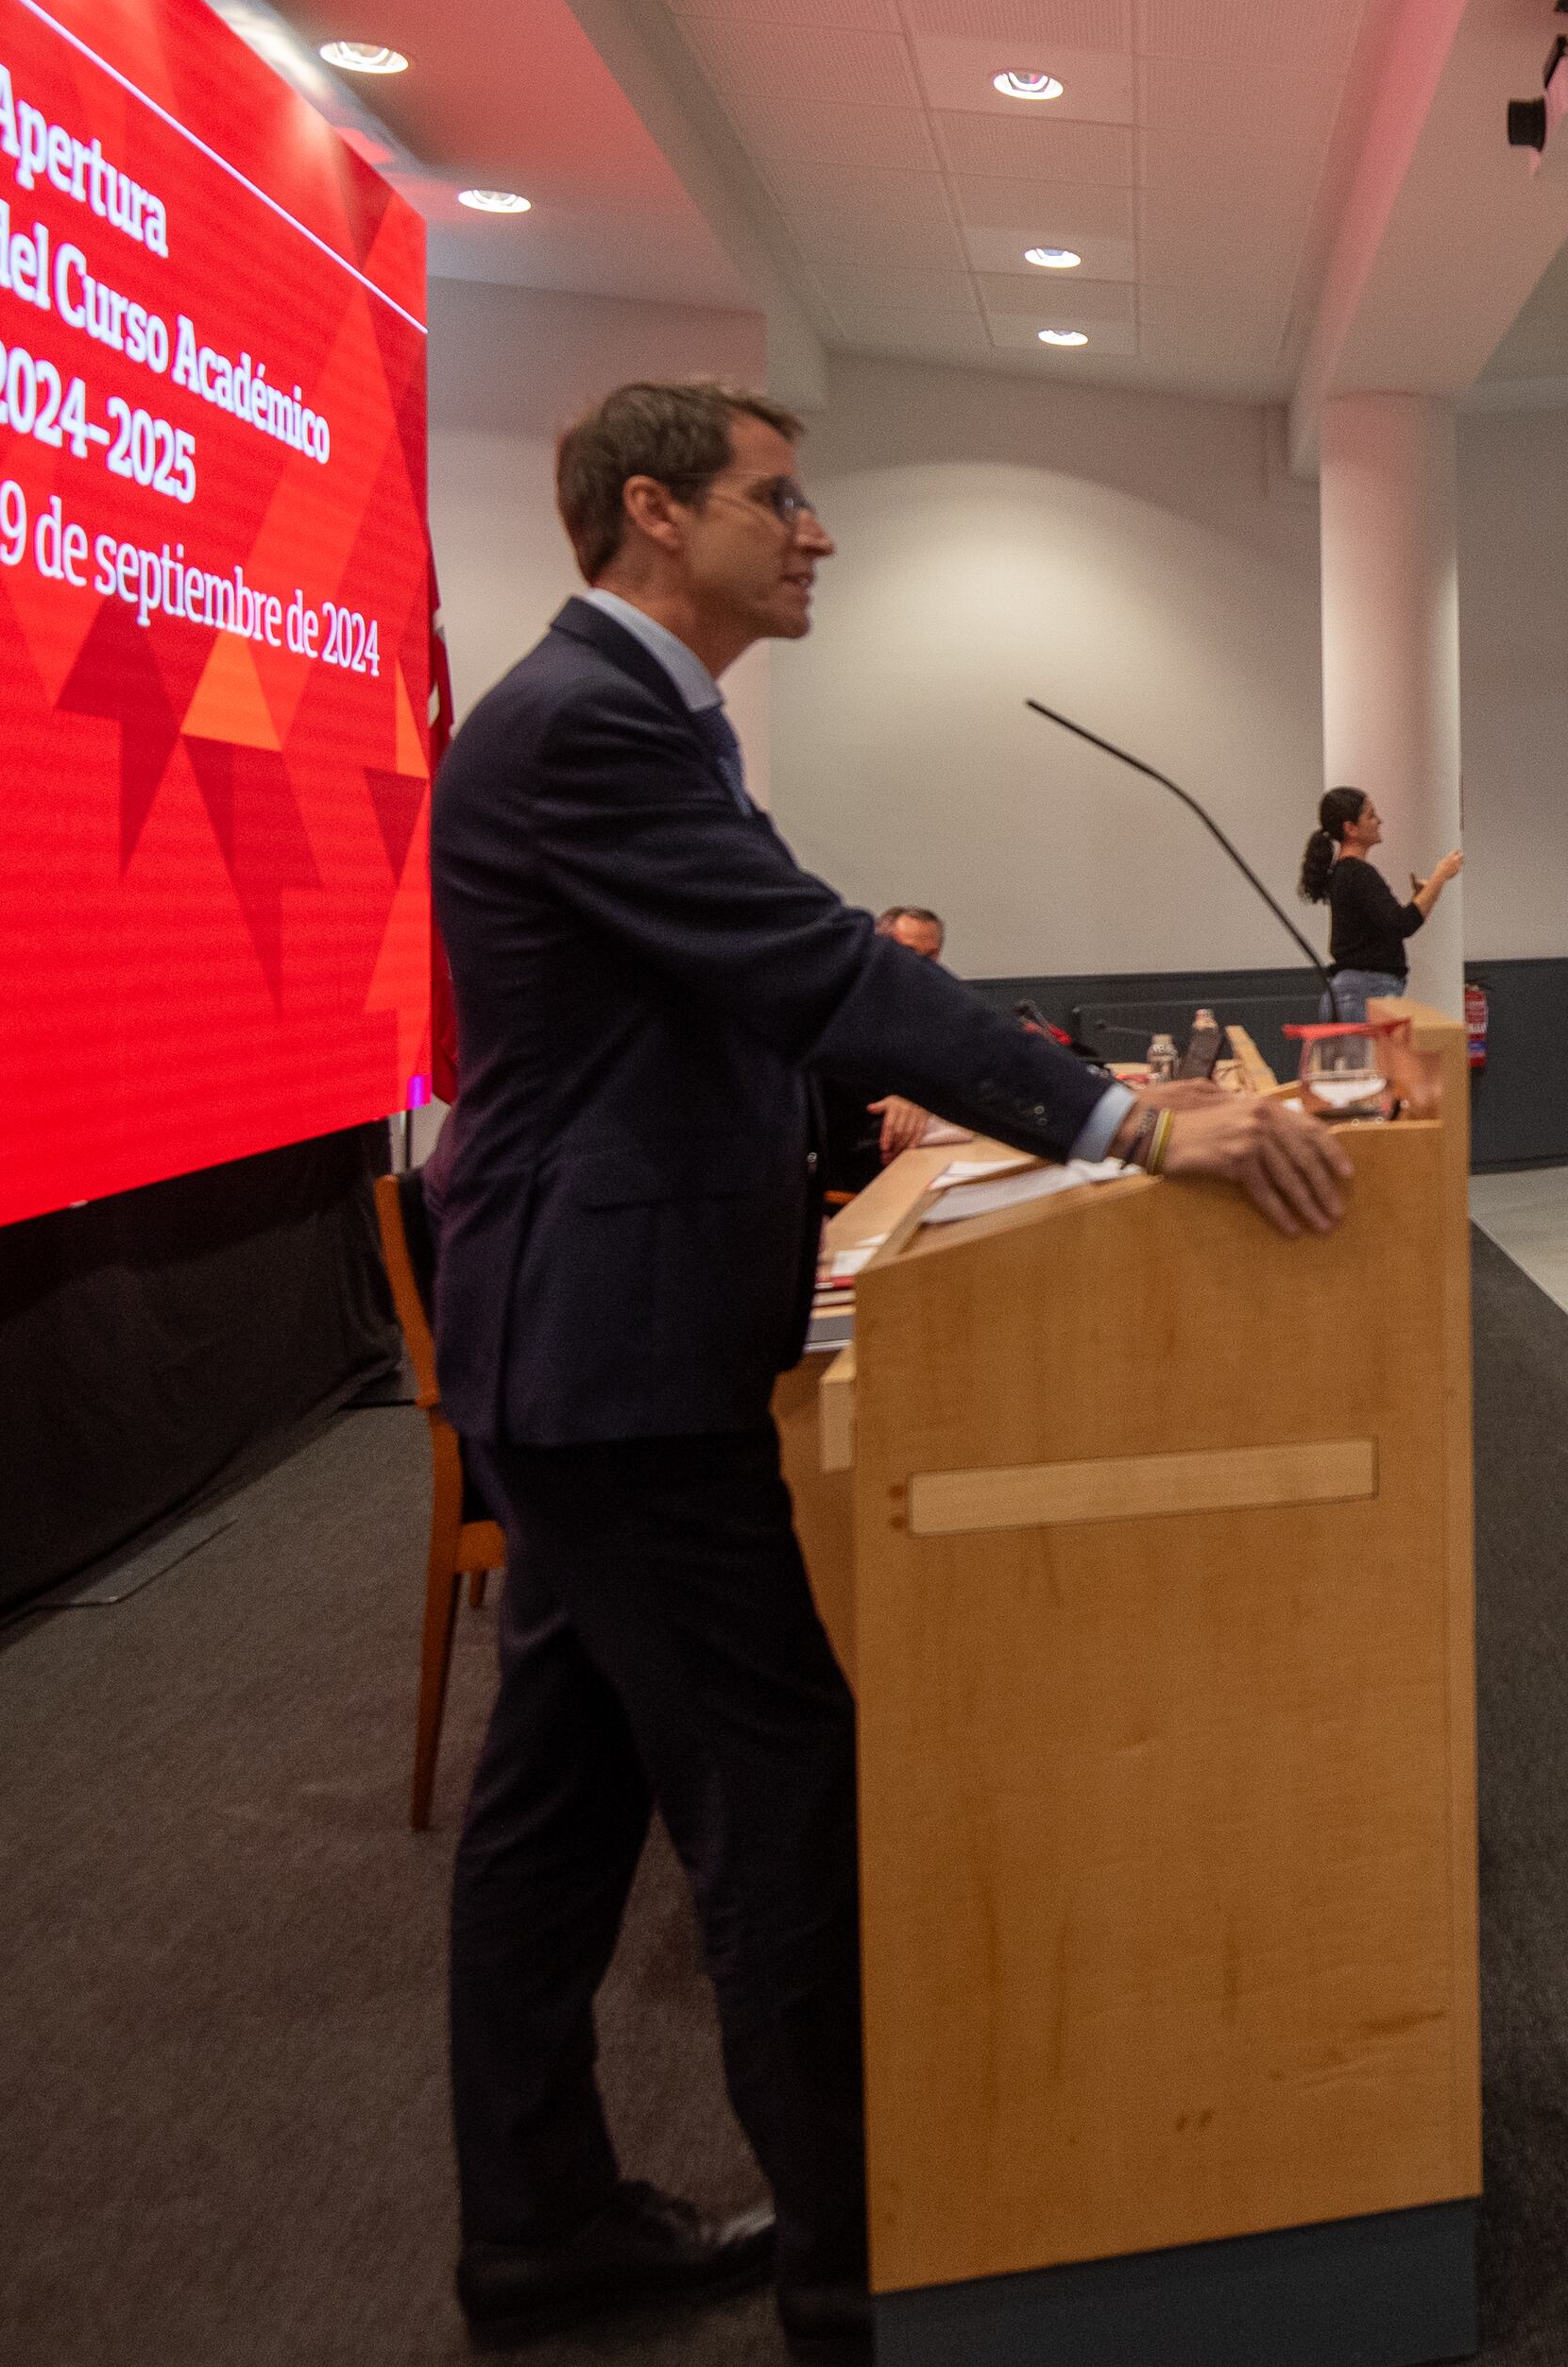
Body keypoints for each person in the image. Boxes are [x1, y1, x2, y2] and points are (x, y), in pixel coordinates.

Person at [430, 380, 1348, 2359]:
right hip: (619, 1362)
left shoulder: (633, 716)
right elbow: (817, 972)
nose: (817, 528)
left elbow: (782, 989)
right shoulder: (588, 719)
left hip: (582, 1344)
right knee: (777, 1798)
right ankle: (859, 2281)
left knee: (559, 1807)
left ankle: (537, 2223)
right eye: (783, 496)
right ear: (655, 513)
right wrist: (1119, 1119)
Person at [815, 906, 949, 1195]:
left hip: (925, 1169)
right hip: (856, 1179)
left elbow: (962, 1074)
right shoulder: (841, 1017)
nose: (922, 968)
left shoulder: (938, 1012)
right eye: (909, 954)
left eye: (931, 957)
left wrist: (919, 1099)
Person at [1303, 787, 1458, 1020]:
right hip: (1365, 995)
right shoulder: (1359, 874)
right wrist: (1441, 876)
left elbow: (1388, 923)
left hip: (1351, 994)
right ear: (1350, 828)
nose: (1379, 821)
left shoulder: (1344, 873)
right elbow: (1402, 924)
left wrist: (1423, 896)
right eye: (1371, 815)